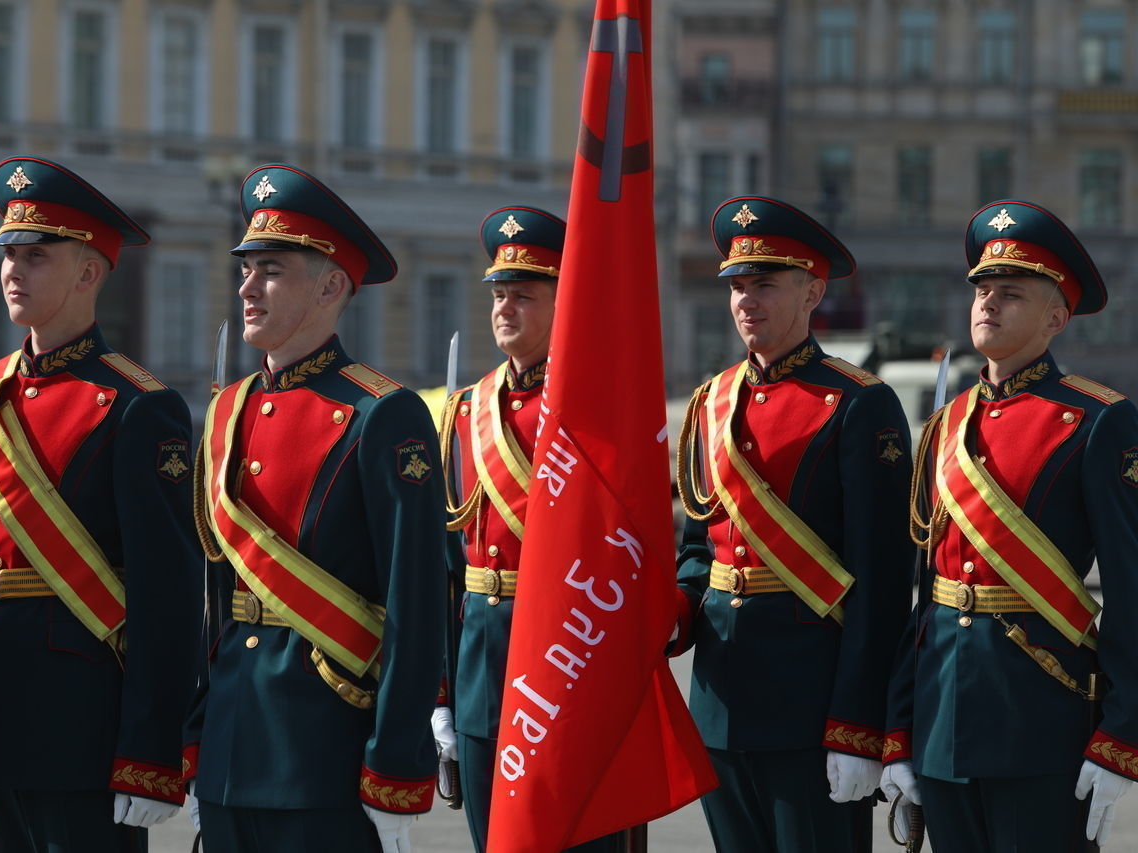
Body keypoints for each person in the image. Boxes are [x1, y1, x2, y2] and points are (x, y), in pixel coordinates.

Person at [0, 156, 202, 851]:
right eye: (8, 254)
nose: (13, 270)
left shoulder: (141, 405)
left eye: (37, 256)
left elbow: (166, 594)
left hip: (82, 726)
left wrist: (150, 752)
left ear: (88, 273)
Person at [184, 163, 447, 852]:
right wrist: (195, 735)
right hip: (231, 747)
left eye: (270, 270)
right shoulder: (225, 412)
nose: (246, 287)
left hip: (326, 751)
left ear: (331, 286)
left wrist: (395, 762)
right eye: (246, 269)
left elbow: (416, 605)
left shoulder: (383, 413)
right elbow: (209, 597)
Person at [881, 199, 1138, 851]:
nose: (989, 303)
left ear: (1056, 318)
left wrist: (1120, 738)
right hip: (943, 725)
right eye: (983, 290)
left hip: (1043, 727)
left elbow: (1133, 592)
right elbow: (925, 597)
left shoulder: (1097, 420)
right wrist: (899, 728)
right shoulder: (944, 426)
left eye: (1012, 293)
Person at [672, 196, 914, 852]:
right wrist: (674, 610)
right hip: (722, 701)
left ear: (813, 292)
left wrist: (859, 725)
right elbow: (699, 548)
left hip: (813, 709)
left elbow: (883, 583)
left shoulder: (860, 403)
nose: (747, 300)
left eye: (766, 285)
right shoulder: (711, 402)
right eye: (738, 286)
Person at [435, 206, 625, 852]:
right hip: (482, 679)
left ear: (562, 301)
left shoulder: (599, 411)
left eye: (524, 293)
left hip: (568, 672)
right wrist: (443, 694)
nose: (504, 307)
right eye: (498, 293)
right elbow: (448, 567)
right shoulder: (468, 412)